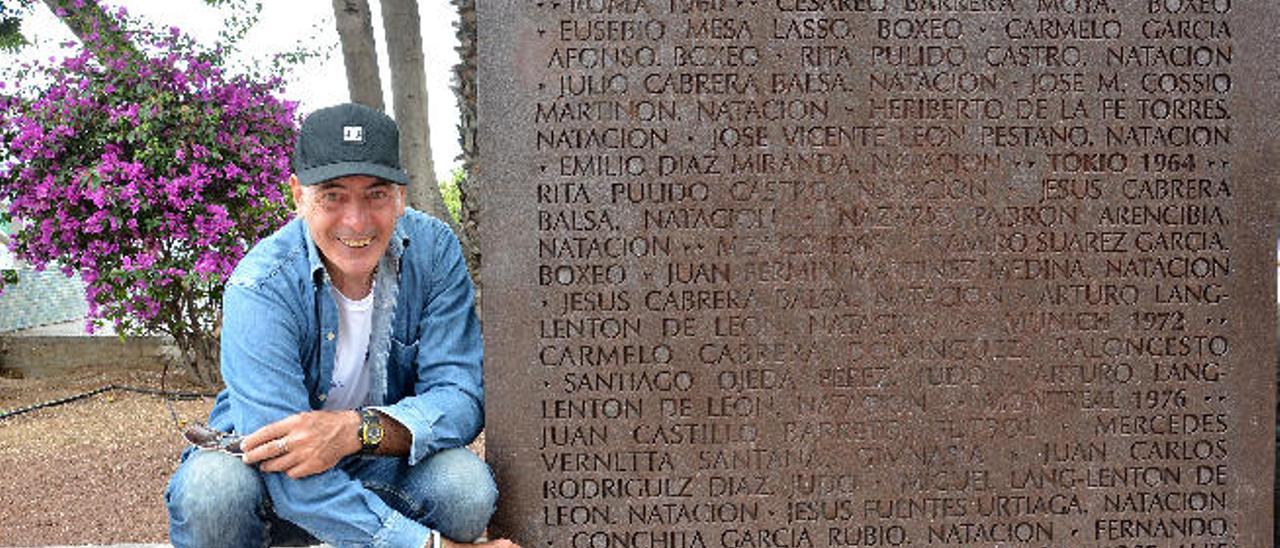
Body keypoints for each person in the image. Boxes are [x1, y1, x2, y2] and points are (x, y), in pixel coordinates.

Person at [165, 103, 518, 548]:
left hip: (380, 460)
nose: (356, 221)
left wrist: (355, 430)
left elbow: (461, 397)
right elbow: (286, 463)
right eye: (332, 194)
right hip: (263, 476)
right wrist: (427, 546)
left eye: (376, 194)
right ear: (298, 195)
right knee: (212, 491)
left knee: (465, 486)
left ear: (401, 196)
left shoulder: (433, 252)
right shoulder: (260, 284)